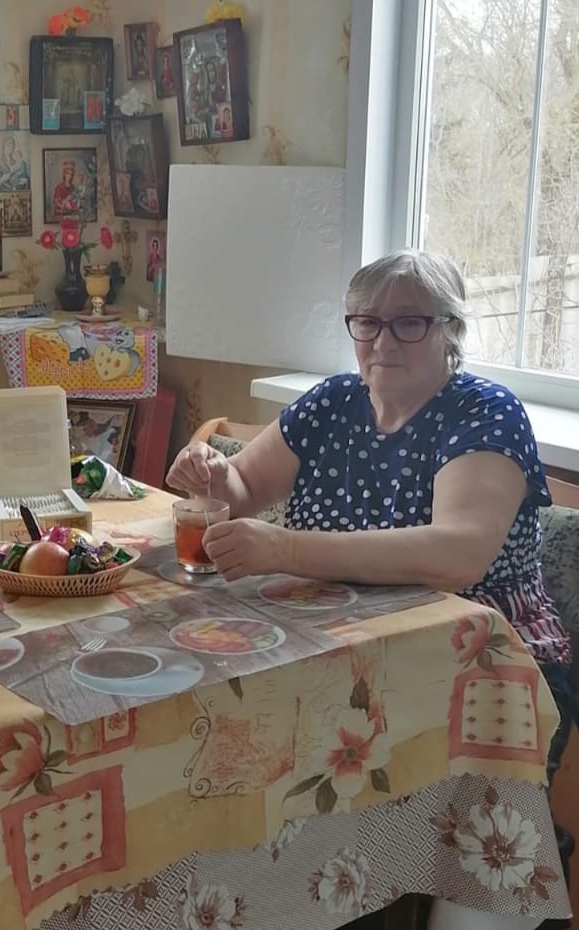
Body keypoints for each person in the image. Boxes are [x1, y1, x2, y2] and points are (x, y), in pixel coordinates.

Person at [167, 249, 572, 930]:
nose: (383, 341)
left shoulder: (484, 412)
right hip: (340, 650)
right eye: (367, 322)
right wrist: (211, 474)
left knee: (466, 867)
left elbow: (457, 555)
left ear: (451, 331)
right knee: (234, 762)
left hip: (484, 663)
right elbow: (242, 490)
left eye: (409, 323)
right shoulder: (333, 402)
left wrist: (285, 549)